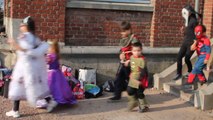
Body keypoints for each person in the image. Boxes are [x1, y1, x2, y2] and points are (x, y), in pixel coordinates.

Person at [6, 16, 56, 118]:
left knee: (18, 86)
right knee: (37, 86)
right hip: (33, 66)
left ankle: (15, 111)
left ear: (26, 26)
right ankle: (50, 102)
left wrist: (13, 43)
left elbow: (25, 50)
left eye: (22, 24)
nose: (20, 26)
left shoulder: (25, 37)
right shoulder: (35, 37)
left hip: (25, 66)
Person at [36, 40, 77, 108]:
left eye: (48, 47)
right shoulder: (56, 55)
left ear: (52, 48)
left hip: (51, 75)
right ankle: (52, 100)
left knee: (51, 88)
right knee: (58, 88)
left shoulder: (51, 55)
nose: (47, 49)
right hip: (57, 74)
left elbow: (46, 61)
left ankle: (51, 101)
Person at [108, 21, 139, 101]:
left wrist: (130, 60)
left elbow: (137, 51)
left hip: (131, 64)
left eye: (124, 31)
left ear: (129, 30)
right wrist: (120, 54)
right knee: (119, 79)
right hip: (124, 63)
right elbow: (122, 50)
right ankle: (117, 95)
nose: (122, 33)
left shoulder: (134, 39)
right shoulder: (124, 40)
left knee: (132, 80)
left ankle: (138, 96)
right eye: (121, 31)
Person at [173, 5, 199, 80]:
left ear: (190, 12)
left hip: (191, 43)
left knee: (187, 58)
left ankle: (190, 71)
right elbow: (188, 32)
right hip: (185, 41)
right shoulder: (187, 20)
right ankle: (178, 73)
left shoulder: (194, 21)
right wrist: (182, 31)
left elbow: (197, 34)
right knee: (179, 57)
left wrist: (195, 44)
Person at [124, 42, 149, 112]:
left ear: (141, 50)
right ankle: (133, 102)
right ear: (132, 51)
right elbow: (132, 64)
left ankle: (144, 106)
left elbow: (143, 71)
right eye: (134, 51)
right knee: (130, 90)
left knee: (139, 93)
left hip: (140, 79)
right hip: (133, 78)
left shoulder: (142, 60)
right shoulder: (132, 57)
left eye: (138, 51)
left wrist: (140, 80)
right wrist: (127, 63)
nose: (136, 52)